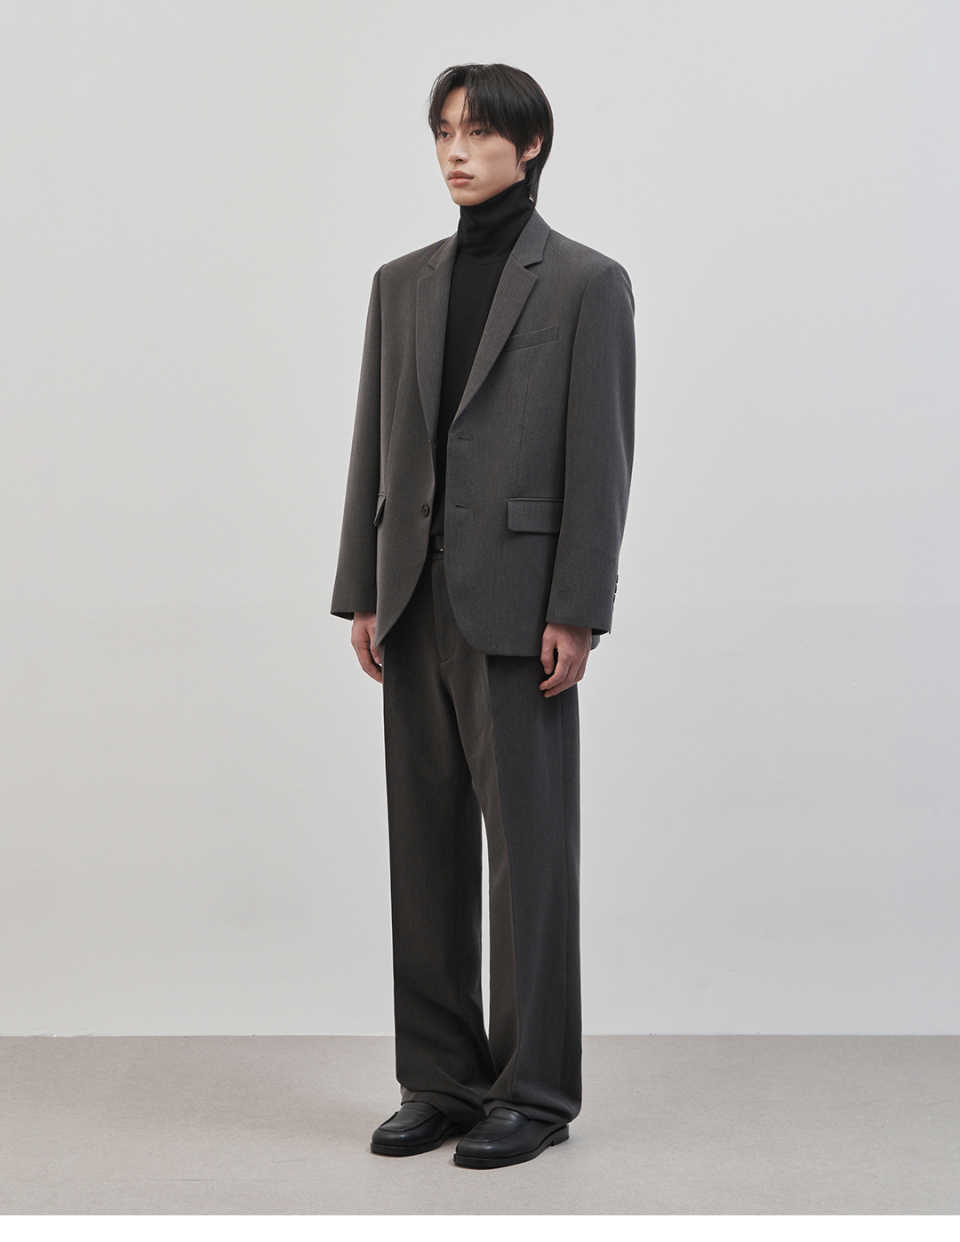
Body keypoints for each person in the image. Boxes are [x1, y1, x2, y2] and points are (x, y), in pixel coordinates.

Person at [331, 62, 635, 1169]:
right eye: (443, 133)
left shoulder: (587, 284)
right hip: (413, 600)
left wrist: (578, 609)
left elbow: (601, 458)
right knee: (424, 848)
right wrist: (362, 587)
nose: (456, 152)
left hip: (520, 606)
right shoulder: (400, 283)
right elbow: (375, 440)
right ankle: (442, 1080)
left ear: (532, 144)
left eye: (477, 133)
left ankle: (536, 1091)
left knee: (531, 857)